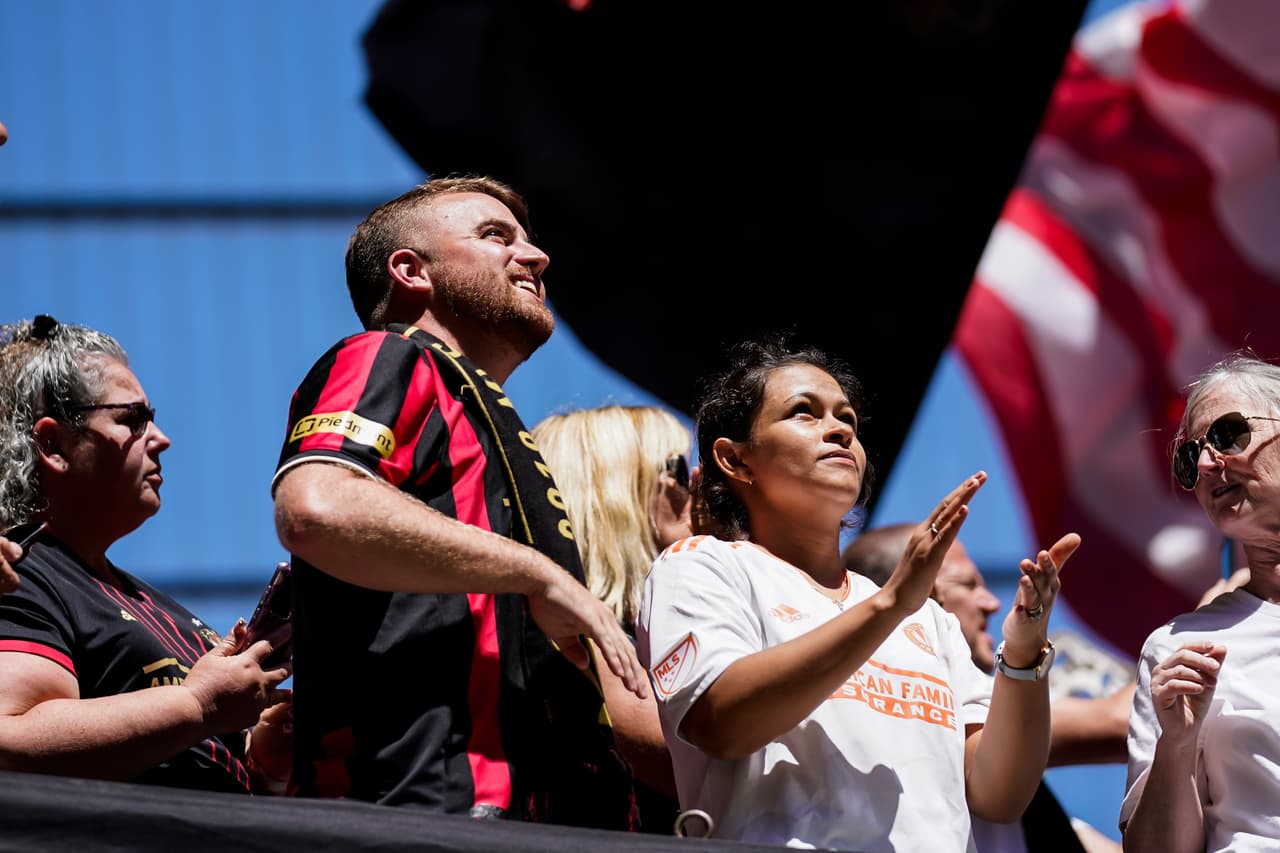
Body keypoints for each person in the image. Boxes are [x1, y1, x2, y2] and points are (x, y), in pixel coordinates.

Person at [271, 175, 645, 826]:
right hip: (419, 812)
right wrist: (537, 573)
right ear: (411, 271)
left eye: (528, 240)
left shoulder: (488, 424)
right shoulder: (387, 357)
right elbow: (316, 506)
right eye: (495, 236)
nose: (536, 257)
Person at [637, 337, 1081, 851]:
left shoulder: (927, 619)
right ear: (735, 460)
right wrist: (889, 605)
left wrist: (1024, 657)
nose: (840, 430)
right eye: (803, 413)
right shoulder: (702, 567)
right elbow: (722, 724)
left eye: (846, 418)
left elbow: (998, 797)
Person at [0, 314, 292, 794]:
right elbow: (10, 744)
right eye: (132, 419)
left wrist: (257, 754)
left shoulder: (149, 603)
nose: (161, 438)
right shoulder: (17, 573)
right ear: (52, 444)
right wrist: (198, 705)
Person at [845, 523, 1127, 853]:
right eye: (968, 585)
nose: (992, 602)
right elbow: (1121, 723)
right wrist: (1185, 629)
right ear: (916, 589)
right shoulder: (938, 708)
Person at [1120, 351, 1280, 852]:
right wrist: (1178, 744)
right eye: (1190, 458)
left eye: (1229, 434)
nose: (1209, 464)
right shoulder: (1182, 648)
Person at [531, 404, 692, 833]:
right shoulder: (572, 636)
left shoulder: (643, 633)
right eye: (679, 470)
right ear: (615, 492)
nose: (697, 487)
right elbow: (701, 760)